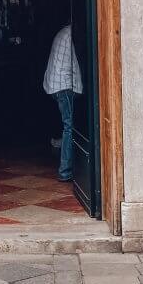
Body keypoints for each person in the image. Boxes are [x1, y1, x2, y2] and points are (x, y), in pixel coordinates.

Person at [43, 23, 83, 182]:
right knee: (70, 127)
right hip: (64, 85)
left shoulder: (63, 32)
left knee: (68, 125)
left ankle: (61, 149)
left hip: (55, 84)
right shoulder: (72, 33)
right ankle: (65, 171)